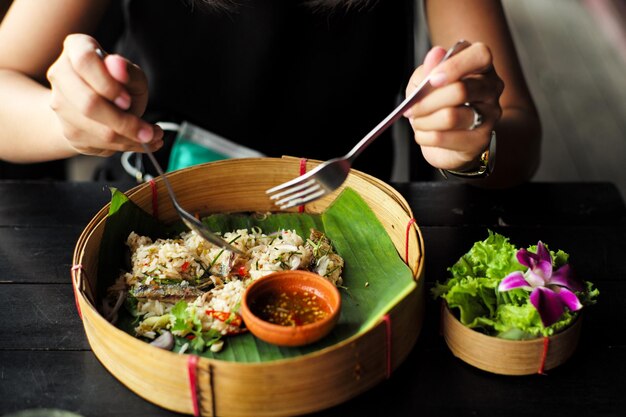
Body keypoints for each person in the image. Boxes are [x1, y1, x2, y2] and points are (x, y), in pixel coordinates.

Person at [0, 0, 540, 188]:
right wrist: (65, 118)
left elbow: (519, 132)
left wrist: (473, 144)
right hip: (156, 203)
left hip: (351, 222)